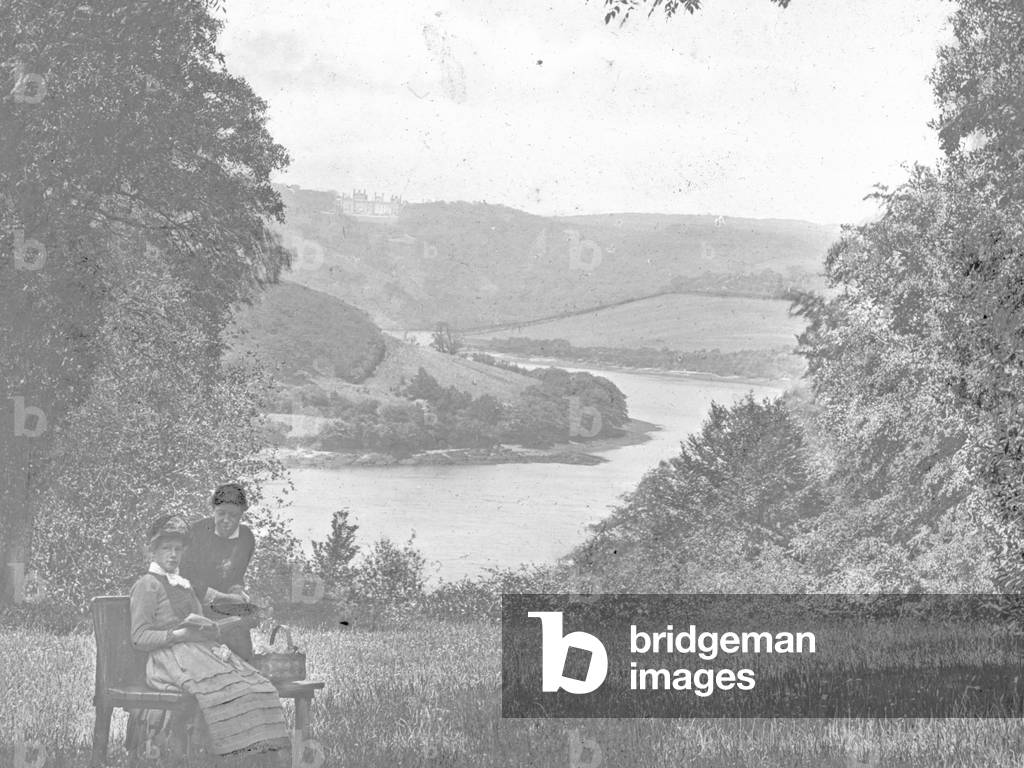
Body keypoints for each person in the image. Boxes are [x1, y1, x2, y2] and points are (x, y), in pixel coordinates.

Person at [128, 513, 290, 766]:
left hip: (199, 654)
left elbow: (203, 624)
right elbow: (139, 637)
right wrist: (179, 635)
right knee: (223, 694)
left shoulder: (183, 585)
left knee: (258, 687)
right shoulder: (147, 585)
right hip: (168, 661)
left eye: (178, 549)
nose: (173, 555)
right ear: (153, 551)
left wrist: (234, 622)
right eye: (166, 549)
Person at [180, 482, 258, 661]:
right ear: (213, 509)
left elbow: (236, 577)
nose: (226, 520)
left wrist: (238, 591)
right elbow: (186, 579)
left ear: (242, 513)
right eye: (221, 513)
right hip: (194, 607)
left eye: (233, 515)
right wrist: (227, 598)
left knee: (242, 657)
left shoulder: (246, 538)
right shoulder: (197, 532)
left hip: (226, 611)